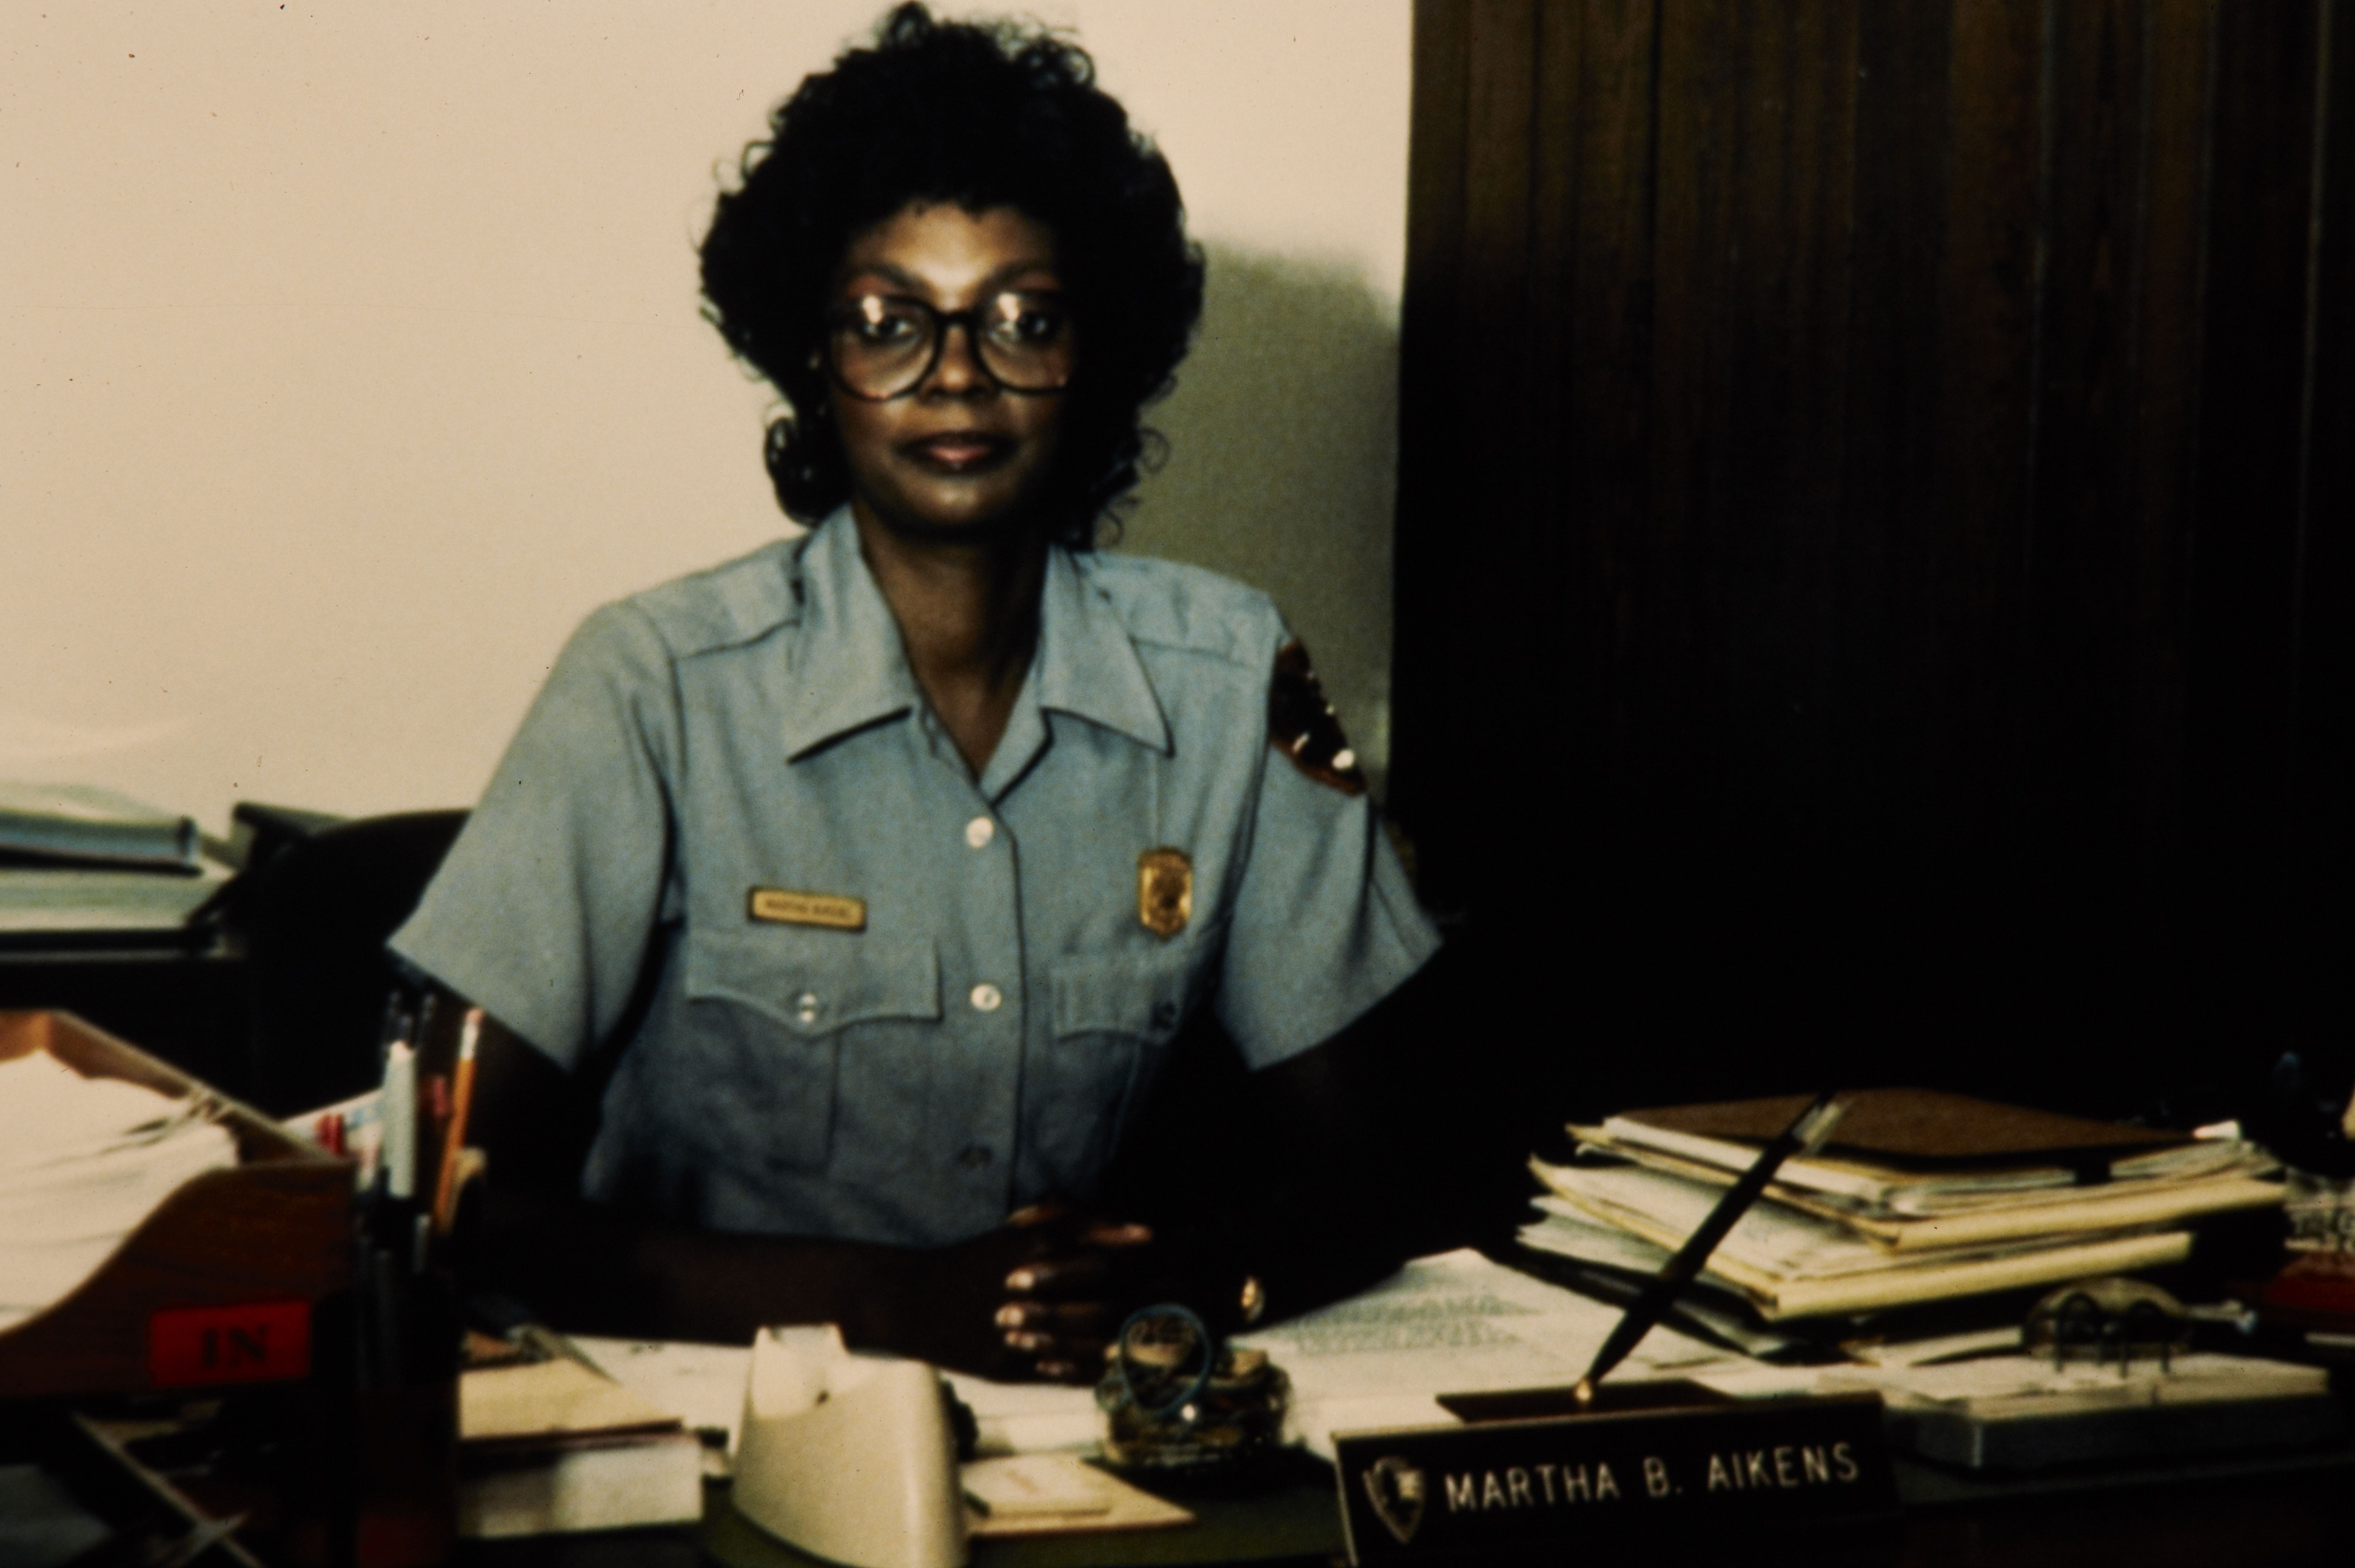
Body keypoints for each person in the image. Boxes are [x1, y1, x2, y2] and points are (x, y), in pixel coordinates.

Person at [391, 4, 1463, 1381]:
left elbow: (1383, 1166)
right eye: (889, 323)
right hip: (718, 1423)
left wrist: (1190, 1277)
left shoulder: (1225, 676)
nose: (956, 373)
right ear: (813, 362)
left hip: (1068, 1437)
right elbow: (453, 1201)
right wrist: (893, 1304)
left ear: (1100, 359)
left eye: (1023, 320)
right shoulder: (656, 685)